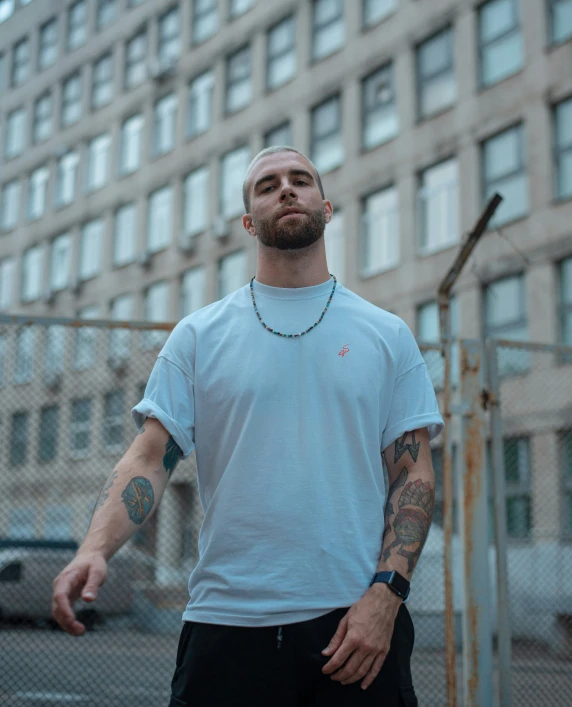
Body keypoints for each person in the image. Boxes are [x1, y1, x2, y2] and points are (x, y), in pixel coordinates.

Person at [52, 146, 443, 706]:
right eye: (267, 185)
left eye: (300, 179)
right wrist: (94, 549)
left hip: (354, 627)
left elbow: (413, 475)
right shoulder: (198, 336)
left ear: (326, 208)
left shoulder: (386, 335)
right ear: (247, 221)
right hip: (225, 625)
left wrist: (388, 595)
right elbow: (149, 457)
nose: (286, 189)